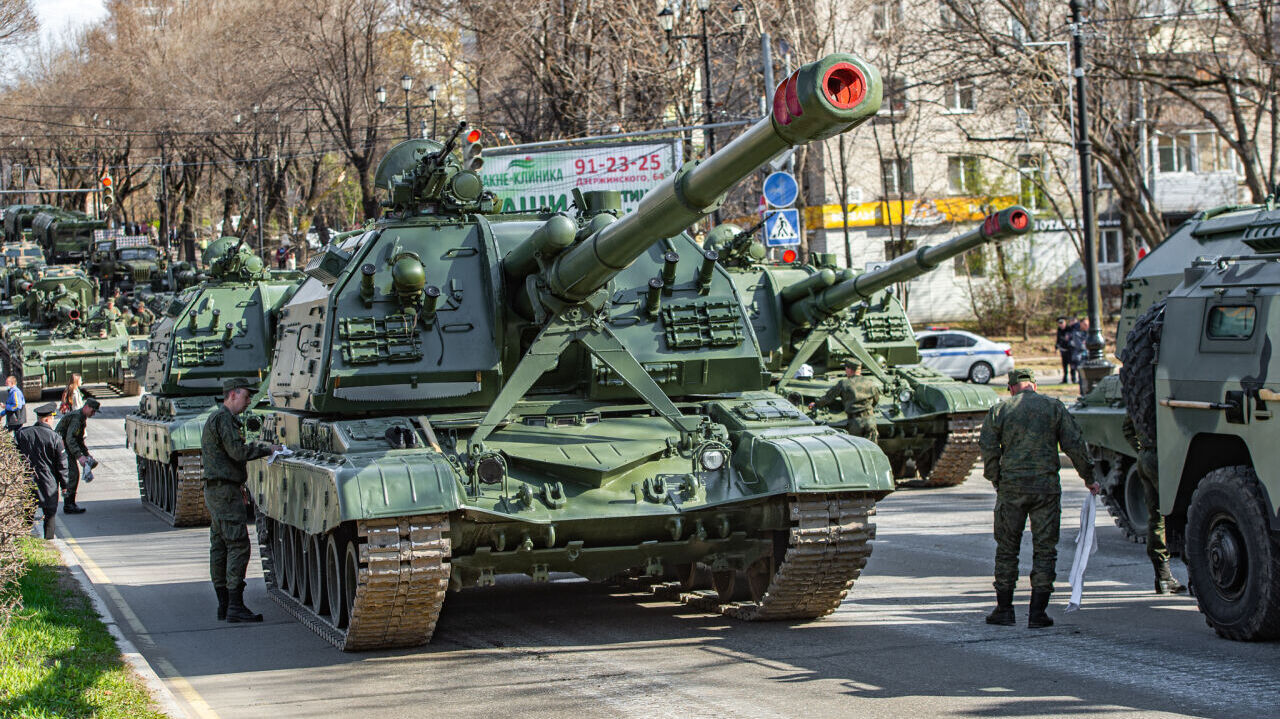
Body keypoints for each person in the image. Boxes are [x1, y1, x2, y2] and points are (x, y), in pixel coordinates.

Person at [979, 367, 1099, 628]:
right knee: (1045, 550)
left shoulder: (1000, 410)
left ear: (1011, 388)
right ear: (1034, 385)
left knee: (1007, 549)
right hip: (1046, 490)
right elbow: (1074, 443)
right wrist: (1088, 477)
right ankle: (1037, 613)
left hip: (1012, 489)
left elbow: (988, 448)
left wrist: (997, 479)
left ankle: (1004, 610)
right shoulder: (1054, 407)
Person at [202, 377, 280, 623]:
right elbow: (237, 452)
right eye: (246, 396)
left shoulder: (216, 418)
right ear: (233, 394)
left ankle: (224, 604)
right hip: (224, 492)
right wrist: (267, 449)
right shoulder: (224, 419)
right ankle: (234, 605)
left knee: (221, 545)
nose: (248, 402)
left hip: (219, 490)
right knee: (237, 545)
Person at [1122, 415, 1186, 594]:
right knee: (1184, 513)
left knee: (1156, 518)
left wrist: (1142, 450)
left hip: (1146, 456)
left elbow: (1127, 428)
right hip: (1164, 456)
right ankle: (1195, 576)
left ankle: (1163, 577)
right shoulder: (1164, 393)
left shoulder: (1143, 397)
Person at [16, 403, 68, 539]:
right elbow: (62, 464)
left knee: (27, 515)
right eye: (52, 418)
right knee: (49, 517)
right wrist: (65, 485)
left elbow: (15, 456)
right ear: (47, 419)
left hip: (27, 482)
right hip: (48, 484)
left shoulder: (22, 434)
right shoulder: (55, 438)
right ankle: (49, 542)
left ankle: (24, 542)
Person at [810, 359, 882, 442]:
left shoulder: (844, 384)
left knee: (857, 448)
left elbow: (828, 398)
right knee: (872, 449)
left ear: (849, 369)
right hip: (870, 420)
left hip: (856, 422)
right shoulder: (870, 383)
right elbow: (876, 400)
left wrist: (816, 404)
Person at [54, 397, 99, 514]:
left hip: (66, 446)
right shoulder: (77, 418)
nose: (93, 414)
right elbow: (70, 439)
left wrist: (87, 455)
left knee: (73, 474)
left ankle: (70, 503)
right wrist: (79, 456)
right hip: (62, 446)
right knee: (72, 473)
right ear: (86, 407)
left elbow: (79, 439)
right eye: (93, 411)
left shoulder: (81, 417)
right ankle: (68, 504)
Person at [1055, 317, 1075, 385]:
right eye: (1059, 323)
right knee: (1064, 366)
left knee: (1072, 366)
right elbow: (1058, 339)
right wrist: (1056, 348)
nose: (1061, 325)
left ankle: (1074, 379)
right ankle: (1065, 380)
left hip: (1070, 350)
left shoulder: (1069, 329)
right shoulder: (1059, 330)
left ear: (1065, 323)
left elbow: (1073, 338)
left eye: (1062, 323)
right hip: (1063, 350)